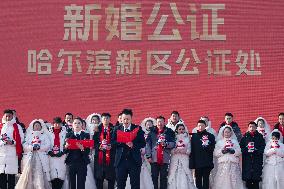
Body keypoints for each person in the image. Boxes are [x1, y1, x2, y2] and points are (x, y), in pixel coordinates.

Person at [113, 109, 146, 189]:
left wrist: (133, 144)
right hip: (121, 161)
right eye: (124, 119)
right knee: (120, 185)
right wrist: (122, 142)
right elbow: (112, 142)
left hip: (134, 161)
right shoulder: (117, 129)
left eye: (127, 119)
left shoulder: (137, 129)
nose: (125, 121)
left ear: (131, 119)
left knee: (135, 185)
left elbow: (143, 143)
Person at [16, 119, 51, 189]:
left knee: (39, 173)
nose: (37, 127)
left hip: (40, 157)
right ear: (33, 127)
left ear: (41, 127)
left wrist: (39, 148)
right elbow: (24, 145)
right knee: (29, 173)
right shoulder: (29, 135)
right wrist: (31, 147)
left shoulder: (44, 135)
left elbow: (48, 145)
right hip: (30, 156)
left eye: (38, 125)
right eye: (35, 126)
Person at [146, 116, 175, 189]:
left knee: (163, 177)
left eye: (161, 121)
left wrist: (166, 144)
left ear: (164, 122)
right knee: (154, 177)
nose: (160, 123)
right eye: (158, 121)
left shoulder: (169, 131)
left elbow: (173, 143)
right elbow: (148, 145)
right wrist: (148, 156)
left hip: (165, 159)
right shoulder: (152, 132)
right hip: (154, 158)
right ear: (156, 123)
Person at [125, 117, 155, 189]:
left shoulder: (153, 134)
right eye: (147, 124)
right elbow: (139, 143)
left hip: (149, 156)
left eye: (150, 124)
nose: (149, 126)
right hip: (138, 155)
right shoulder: (141, 133)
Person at [0, 109, 24, 189]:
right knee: (2, 177)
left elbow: (21, 139)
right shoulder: (1, 126)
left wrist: (13, 142)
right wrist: (3, 142)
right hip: (1, 154)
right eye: (6, 116)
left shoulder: (17, 126)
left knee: (11, 178)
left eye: (9, 116)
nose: (7, 118)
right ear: (4, 116)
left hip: (12, 154)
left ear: (12, 116)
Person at [64, 117, 91, 189]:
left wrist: (82, 148)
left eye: (79, 123)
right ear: (72, 125)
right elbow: (65, 151)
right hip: (71, 162)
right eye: (75, 123)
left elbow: (88, 151)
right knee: (71, 183)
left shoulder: (86, 135)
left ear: (82, 125)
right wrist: (66, 147)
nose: (77, 125)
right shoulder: (68, 135)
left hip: (82, 162)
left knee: (81, 183)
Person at [168, 124, 196, 189]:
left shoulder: (187, 139)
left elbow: (189, 150)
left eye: (182, 129)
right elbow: (170, 149)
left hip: (184, 158)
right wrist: (174, 150)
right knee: (174, 173)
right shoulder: (173, 138)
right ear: (177, 130)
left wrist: (185, 151)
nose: (181, 130)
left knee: (185, 173)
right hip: (175, 158)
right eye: (179, 129)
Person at [189, 120, 215, 189]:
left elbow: (213, 148)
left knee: (206, 180)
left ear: (205, 126)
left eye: (202, 125)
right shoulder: (194, 137)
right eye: (199, 126)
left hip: (207, 162)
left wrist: (207, 146)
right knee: (198, 180)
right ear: (197, 127)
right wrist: (192, 163)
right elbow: (192, 150)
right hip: (197, 163)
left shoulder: (210, 136)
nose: (200, 127)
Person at [93, 113, 116, 189]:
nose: (105, 120)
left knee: (111, 179)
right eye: (104, 118)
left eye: (107, 118)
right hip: (100, 158)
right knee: (99, 179)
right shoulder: (97, 129)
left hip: (111, 158)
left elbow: (117, 141)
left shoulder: (114, 129)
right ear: (101, 120)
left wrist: (111, 145)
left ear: (110, 119)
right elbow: (93, 142)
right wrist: (98, 147)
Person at [240, 121, 265, 189]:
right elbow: (241, 148)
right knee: (248, 183)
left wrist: (256, 150)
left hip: (256, 162)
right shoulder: (244, 137)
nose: (252, 128)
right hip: (247, 162)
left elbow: (263, 148)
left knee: (256, 182)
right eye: (250, 127)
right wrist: (246, 149)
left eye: (253, 126)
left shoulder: (260, 137)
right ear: (248, 128)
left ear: (256, 127)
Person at [48, 117, 67, 189]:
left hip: (61, 157)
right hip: (51, 157)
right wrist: (49, 151)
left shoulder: (65, 133)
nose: (57, 125)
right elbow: (46, 143)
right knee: (52, 174)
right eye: (55, 123)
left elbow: (67, 144)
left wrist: (63, 152)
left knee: (61, 174)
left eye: (59, 123)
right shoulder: (48, 133)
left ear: (61, 124)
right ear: (53, 124)